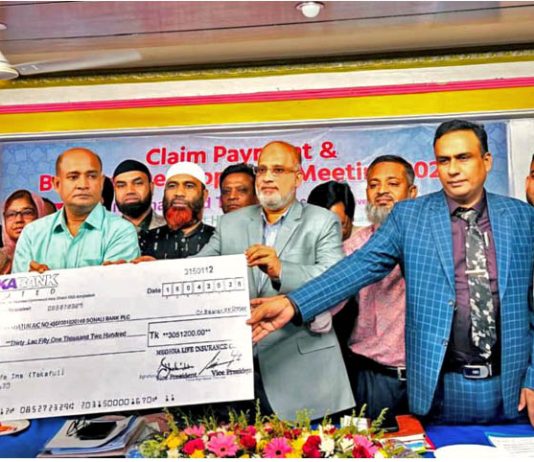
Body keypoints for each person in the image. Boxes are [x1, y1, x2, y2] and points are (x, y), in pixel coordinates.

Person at [249, 120, 534, 426]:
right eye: (443, 160)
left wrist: (532, 375)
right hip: (442, 389)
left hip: (513, 388)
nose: (453, 170)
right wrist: (293, 304)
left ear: (486, 161)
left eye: (463, 158)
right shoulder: (409, 217)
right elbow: (356, 268)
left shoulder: (523, 218)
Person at [198, 141, 354, 421]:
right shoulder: (230, 223)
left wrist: (282, 270)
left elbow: (336, 280)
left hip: (302, 372)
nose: (268, 177)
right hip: (236, 370)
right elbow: (197, 268)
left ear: (298, 177)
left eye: (278, 170)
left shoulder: (322, 221)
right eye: (262, 170)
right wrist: (151, 271)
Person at [312, 156, 417, 421]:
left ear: (413, 192)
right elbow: (327, 302)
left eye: (392, 183)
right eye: (374, 184)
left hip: (429, 377)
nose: (382, 190)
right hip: (373, 379)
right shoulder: (352, 248)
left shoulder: (435, 241)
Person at [13, 147, 140, 273]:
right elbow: (17, 285)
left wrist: (47, 282)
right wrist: (29, 281)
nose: (83, 185)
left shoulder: (121, 230)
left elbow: (114, 283)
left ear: (101, 183)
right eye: (73, 177)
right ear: (57, 184)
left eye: (92, 176)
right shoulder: (32, 233)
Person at [139, 162, 214, 259]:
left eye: (189, 186)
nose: (179, 193)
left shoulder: (218, 239)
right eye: (172, 186)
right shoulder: (145, 239)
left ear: (204, 195)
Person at [112, 159, 165, 233]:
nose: (130, 191)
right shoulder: (104, 234)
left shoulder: (174, 229)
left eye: (138, 183)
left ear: (151, 187)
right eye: (121, 185)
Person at [1, 190, 46, 274]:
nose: (18, 220)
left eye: (27, 213)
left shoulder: (52, 251)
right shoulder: (2, 258)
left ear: (40, 214)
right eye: (11, 214)